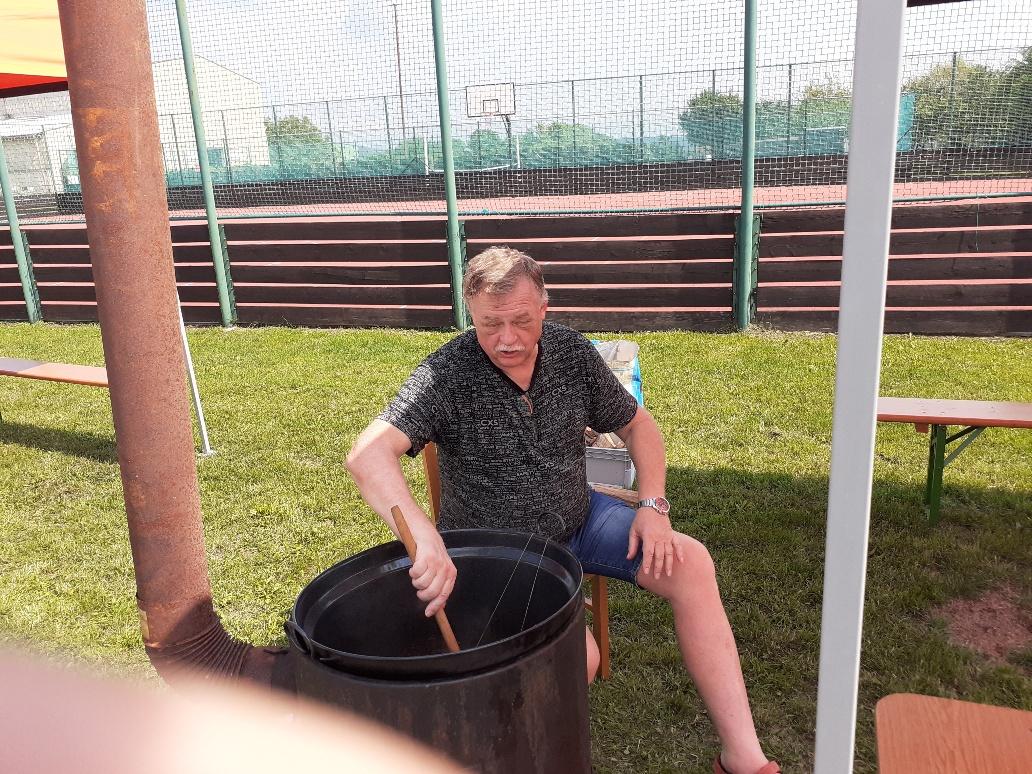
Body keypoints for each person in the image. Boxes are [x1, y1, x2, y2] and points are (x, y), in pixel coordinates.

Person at [346, 247, 779, 774]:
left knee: (692, 564)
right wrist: (424, 534)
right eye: (489, 325)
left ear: (544, 308)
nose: (507, 339)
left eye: (521, 321)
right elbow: (367, 455)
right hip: (504, 555)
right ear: (470, 314)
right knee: (580, 658)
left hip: (581, 518)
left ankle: (743, 757)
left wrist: (653, 505)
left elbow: (638, 425)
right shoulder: (448, 372)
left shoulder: (571, 353)